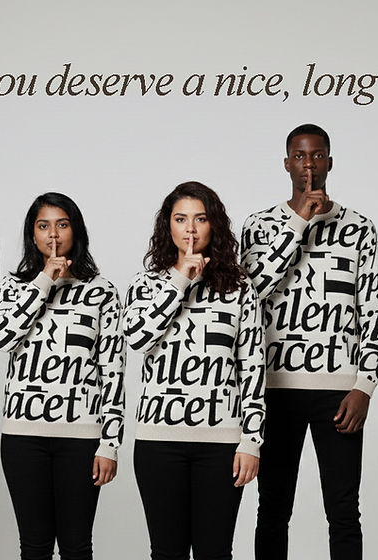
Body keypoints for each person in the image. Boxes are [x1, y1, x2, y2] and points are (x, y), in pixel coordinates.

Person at [241, 124, 378, 560]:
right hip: (275, 389)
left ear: (329, 162)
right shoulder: (259, 225)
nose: (309, 164)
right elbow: (250, 296)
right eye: (300, 156)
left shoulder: (360, 228)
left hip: (338, 393)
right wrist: (299, 222)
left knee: (343, 511)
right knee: (273, 509)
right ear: (287, 163)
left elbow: (374, 313)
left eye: (317, 155)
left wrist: (365, 386)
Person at [124, 181, 266, 560]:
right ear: (167, 227)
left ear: (213, 226)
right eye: (181, 219)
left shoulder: (238, 288)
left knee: (215, 552)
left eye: (200, 219)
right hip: (158, 441)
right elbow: (138, 339)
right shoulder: (146, 284)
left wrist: (251, 440)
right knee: (166, 552)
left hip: (221, 443)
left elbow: (252, 367)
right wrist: (180, 281)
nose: (190, 229)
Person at [0, 192, 125, 560]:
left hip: (81, 438)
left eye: (62, 225)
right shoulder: (13, 288)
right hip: (22, 436)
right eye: (43, 225)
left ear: (75, 232)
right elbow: (2, 338)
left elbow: (112, 371)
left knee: (76, 546)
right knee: (33, 547)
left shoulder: (101, 292)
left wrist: (109, 443)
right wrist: (43, 282)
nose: (53, 235)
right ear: (31, 234)